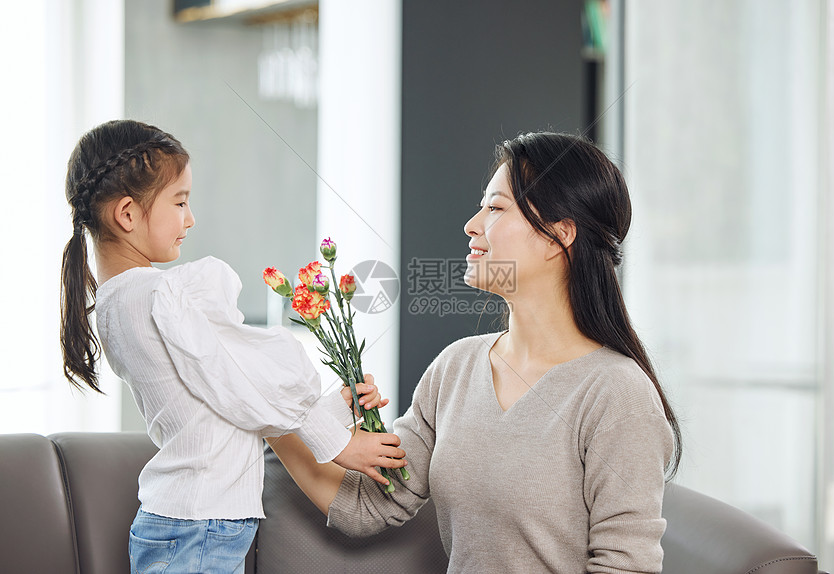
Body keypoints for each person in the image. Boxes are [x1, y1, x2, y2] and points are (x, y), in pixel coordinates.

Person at [269, 132, 682, 573]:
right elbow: (368, 504)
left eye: (497, 207)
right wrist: (270, 416)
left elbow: (627, 567)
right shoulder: (456, 367)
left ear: (558, 237)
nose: (472, 225)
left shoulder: (618, 393)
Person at [59, 119, 406, 574]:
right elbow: (248, 380)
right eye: (180, 202)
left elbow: (224, 406)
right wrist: (337, 441)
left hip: (184, 524)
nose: (190, 218)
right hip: (199, 527)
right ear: (127, 215)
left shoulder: (116, 304)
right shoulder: (164, 297)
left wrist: (333, 412)